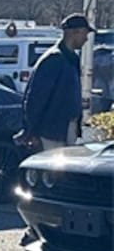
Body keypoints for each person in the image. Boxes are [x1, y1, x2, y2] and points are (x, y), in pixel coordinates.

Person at [20, 13, 91, 150]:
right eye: (84, 33)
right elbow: (35, 98)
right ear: (73, 32)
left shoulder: (72, 59)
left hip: (67, 128)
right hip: (51, 132)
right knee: (52, 170)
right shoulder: (54, 59)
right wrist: (32, 132)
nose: (86, 38)